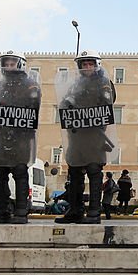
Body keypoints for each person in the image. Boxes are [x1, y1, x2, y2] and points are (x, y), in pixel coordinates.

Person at [54, 50, 117, 224]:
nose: (87, 67)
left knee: (94, 171)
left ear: (96, 66)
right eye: (84, 64)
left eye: (90, 64)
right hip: (76, 136)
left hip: (94, 135)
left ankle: (94, 212)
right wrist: (67, 103)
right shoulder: (75, 84)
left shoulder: (103, 83)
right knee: (74, 173)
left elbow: (108, 101)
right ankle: (75, 210)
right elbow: (66, 101)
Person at [0, 50, 41, 224]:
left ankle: (22, 210)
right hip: (0, 135)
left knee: (20, 171)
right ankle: (3, 210)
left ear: (20, 64)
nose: (8, 66)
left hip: (21, 136)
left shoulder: (30, 85)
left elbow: (33, 104)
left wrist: (8, 105)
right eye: (6, 63)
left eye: (12, 63)